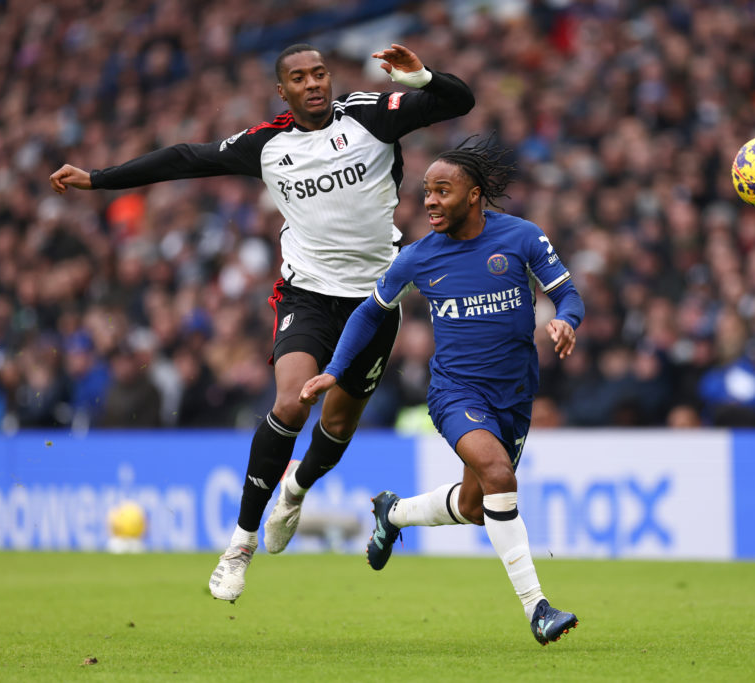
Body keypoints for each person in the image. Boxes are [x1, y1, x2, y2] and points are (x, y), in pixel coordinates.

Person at [50, 43, 474, 601]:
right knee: (291, 402)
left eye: (320, 73)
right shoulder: (267, 145)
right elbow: (185, 157)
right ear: (284, 91)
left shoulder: (370, 115)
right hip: (307, 296)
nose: (314, 84)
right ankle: (239, 546)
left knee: (338, 427)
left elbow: (458, 100)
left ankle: (295, 489)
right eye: (300, 78)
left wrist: (419, 75)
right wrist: (99, 179)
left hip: (374, 302)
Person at [300, 137, 585, 645]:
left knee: (479, 507)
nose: (429, 201)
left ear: (474, 195)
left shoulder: (521, 238)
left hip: (516, 395)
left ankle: (395, 512)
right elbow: (370, 312)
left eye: (442, 191)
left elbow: (566, 292)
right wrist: (337, 369)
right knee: (498, 473)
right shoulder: (417, 258)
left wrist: (565, 320)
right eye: (426, 192)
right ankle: (537, 609)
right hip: (457, 393)